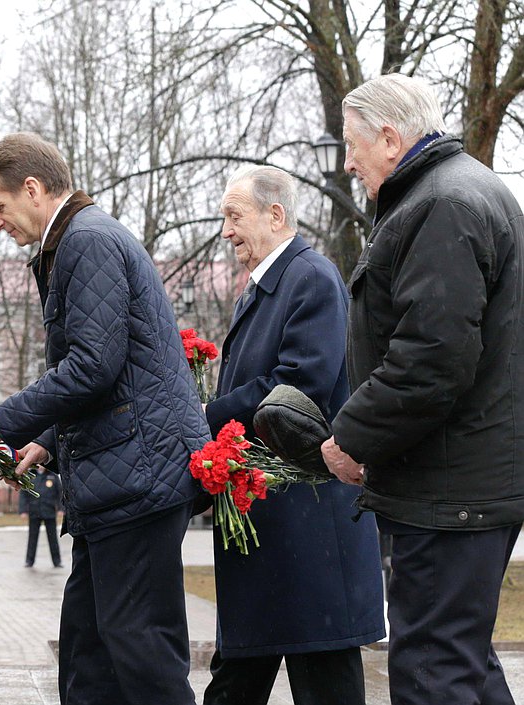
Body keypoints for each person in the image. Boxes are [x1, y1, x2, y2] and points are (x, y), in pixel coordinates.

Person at [0, 132, 208, 705]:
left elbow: (94, 365)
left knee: (141, 655)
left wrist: (2, 422)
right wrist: (43, 438)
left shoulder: (86, 242)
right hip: (120, 478)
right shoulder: (74, 240)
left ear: (34, 189)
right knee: (89, 656)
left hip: (138, 479)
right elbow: (104, 367)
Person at [321, 73, 524, 705]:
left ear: (388, 138)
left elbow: (434, 358)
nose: (348, 161)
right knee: (461, 660)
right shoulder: (463, 191)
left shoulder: (441, 204)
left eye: (352, 144)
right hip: (468, 479)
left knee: (433, 672)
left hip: (451, 489)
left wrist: (351, 438)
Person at [203, 165, 384, 705]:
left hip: (309, 530)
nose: (227, 230)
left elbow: (295, 387)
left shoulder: (310, 278)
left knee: (322, 681)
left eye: (234, 216)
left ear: (275, 215)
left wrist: (205, 419)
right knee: (239, 677)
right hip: (278, 529)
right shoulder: (266, 288)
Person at [18, 465, 62, 568]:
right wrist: (23, 510)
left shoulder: (52, 475)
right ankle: (29, 561)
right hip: (34, 512)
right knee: (32, 538)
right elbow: (23, 494)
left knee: (53, 538)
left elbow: (59, 493)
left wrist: (61, 508)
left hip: (49, 511)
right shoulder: (29, 475)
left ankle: (57, 561)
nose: (40, 465)